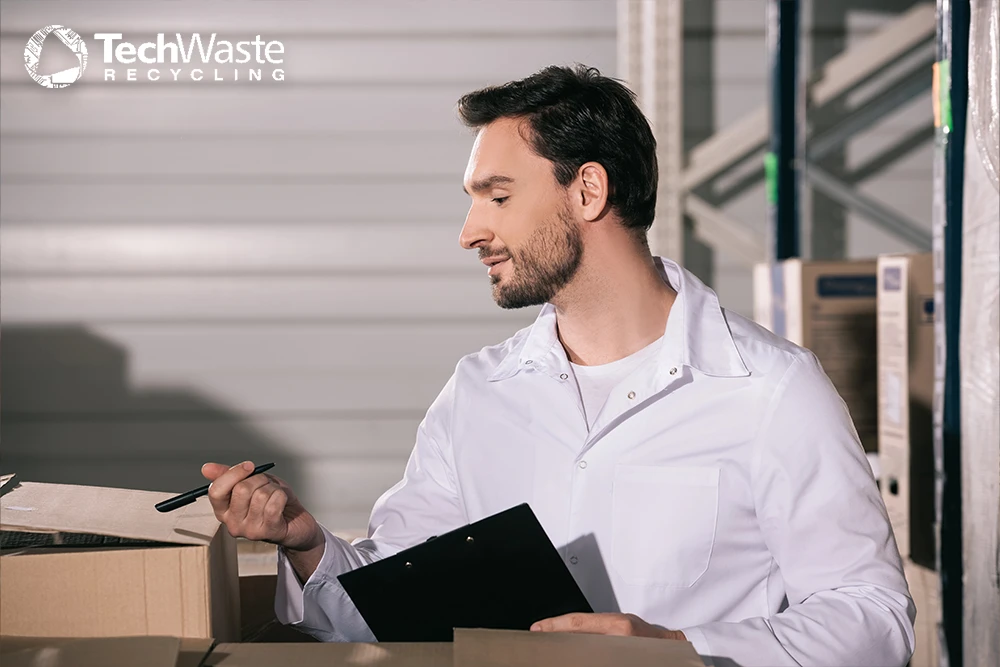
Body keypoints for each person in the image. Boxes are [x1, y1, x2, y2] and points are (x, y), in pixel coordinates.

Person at [201, 65, 915, 666]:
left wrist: (680, 648)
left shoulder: (770, 390)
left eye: (499, 197)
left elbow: (877, 621)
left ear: (589, 191)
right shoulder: (478, 393)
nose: (469, 232)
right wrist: (306, 543)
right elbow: (384, 609)